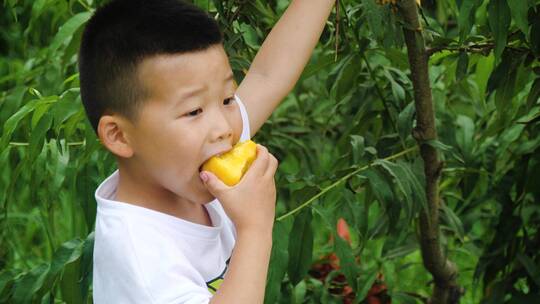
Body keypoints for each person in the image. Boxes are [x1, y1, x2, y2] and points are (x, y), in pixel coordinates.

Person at [77, 0, 336, 302]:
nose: (223, 127)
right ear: (120, 135)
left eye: (227, 99)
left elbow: (268, 75)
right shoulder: (139, 254)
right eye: (194, 110)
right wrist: (254, 229)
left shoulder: (182, 162)